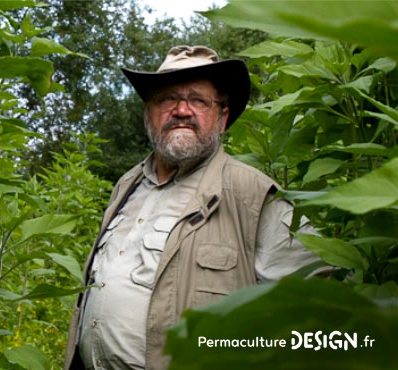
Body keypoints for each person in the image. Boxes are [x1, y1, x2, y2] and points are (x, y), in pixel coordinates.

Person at [64, 45, 321, 370]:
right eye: (167, 99)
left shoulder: (254, 196)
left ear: (223, 117)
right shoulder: (126, 186)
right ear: (148, 115)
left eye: (198, 100)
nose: (182, 110)